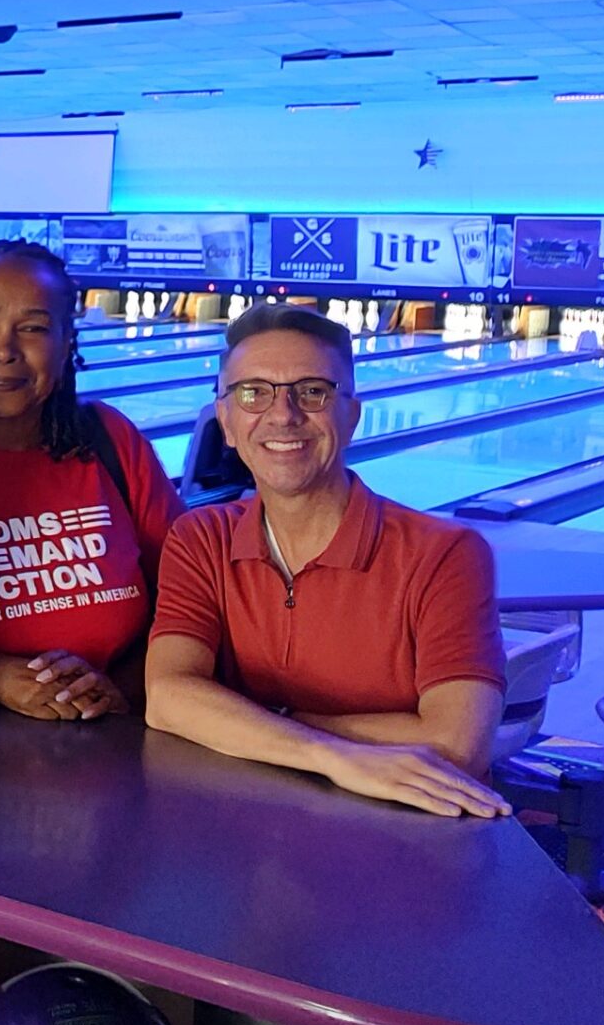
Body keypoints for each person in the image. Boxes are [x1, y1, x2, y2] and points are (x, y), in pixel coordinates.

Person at [145, 303, 509, 818]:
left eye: (312, 391)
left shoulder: (445, 554)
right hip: (245, 827)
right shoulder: (200, 539)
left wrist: (259, 719)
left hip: (410, 834)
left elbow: (457, 745)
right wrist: (334, 755)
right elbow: (167, 698)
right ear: (225, 421)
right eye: (253, 393)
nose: (283, 414)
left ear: (352, 415)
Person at [0, 242, 183, 721]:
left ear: (68, 341)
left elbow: (188, 599)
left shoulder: (110, 440)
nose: (4, 350)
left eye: (34, 328)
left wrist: (122, 687)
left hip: (110, 749)